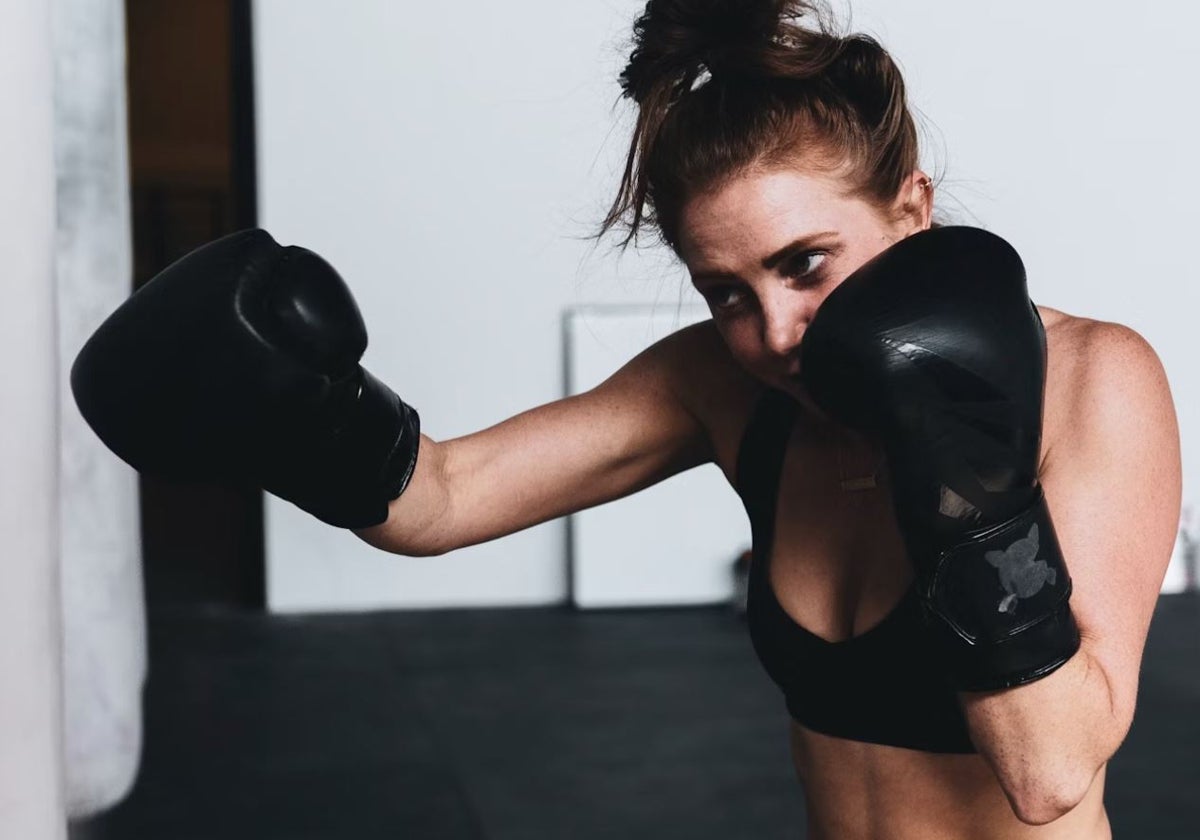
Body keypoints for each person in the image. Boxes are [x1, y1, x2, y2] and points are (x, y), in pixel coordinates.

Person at [72, 0, 1181, 836]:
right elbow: (443, 499)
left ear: (914, 208)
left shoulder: (1091, 382)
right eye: (726, 291)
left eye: (807, 264)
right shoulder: (728, 383)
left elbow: (1050, 776)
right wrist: (311, 410)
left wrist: (962, 484)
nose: (779, 332)